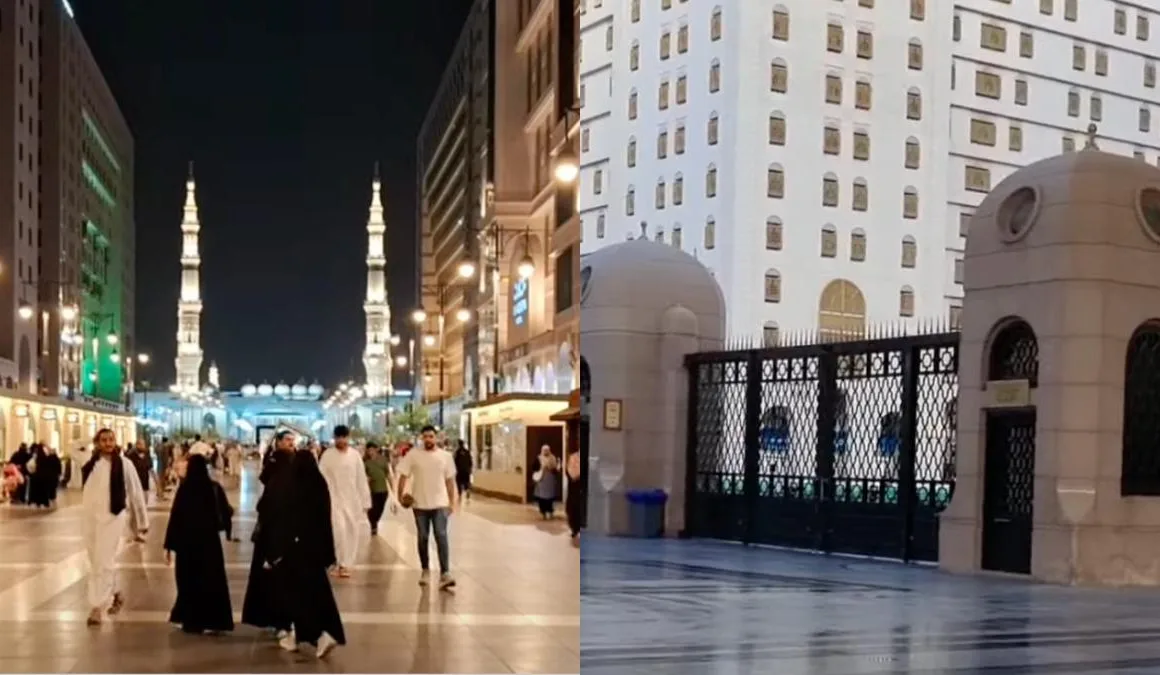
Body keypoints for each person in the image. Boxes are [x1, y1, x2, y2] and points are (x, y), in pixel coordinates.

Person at [266, 448, 345, 657]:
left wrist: (278, 548)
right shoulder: (319, 483)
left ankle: (316, 635)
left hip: (297, 550)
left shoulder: (293, 486)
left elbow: (286, 519)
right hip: (316, 550)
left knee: (298, 595)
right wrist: (329, 553)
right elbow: (325, 520)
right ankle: (307, 635)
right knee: (316, 594)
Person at [81, 428, 148, 626]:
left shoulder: (125, 464)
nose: (108, 443)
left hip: (114, 517)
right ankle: (116, 591)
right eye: (103, 440)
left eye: (111, 439)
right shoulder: (89, 462)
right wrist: (90, 438)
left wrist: (142, 522)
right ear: (97, 442)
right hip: (91, 518)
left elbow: (136, 493)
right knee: (95, 561)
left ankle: (96, 608)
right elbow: (72, 446)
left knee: (104, 560)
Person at [164, 454, 234, 634]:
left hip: (188, 545)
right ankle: (215, 620)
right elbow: (226, 511)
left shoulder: (185, 489)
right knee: (211, 579)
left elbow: (176, 517)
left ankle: (191, 620)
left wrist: (170, 545)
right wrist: (227, 531)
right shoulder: (213, 487)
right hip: (209, 543)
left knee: (188, 581)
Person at [241, 431, 295, 636]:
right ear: (279, 442)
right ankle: (269, 616)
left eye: (292, 441)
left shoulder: (295, 463)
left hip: (285, 526)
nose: (291, 444)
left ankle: (283, 619)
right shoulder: (273, 462)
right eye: (287, 440)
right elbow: (265, 481)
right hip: (272, 526)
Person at [396, 425, 458, 590]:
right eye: (425, 437)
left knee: (441, 535)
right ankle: (425, 569)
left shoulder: (445, 457)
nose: (428, 439)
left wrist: (452, 502)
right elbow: (403, 475)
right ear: (421, 438)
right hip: (420, 504)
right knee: (422, 537)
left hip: (440, 504)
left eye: (431, 436)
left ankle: (445, 572)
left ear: (436, 437)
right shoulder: (413, 455)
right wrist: (399, 495)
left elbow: (450, 481)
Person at [318, 426, 371, 578]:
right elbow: (321, 478)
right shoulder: (328, 455)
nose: (341, 440)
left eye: (344, 437)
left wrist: (365, 502)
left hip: (353, 499)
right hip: (333, 500)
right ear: (334, 438)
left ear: (348, 438)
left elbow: (361, 478)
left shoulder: (355, 456)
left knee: (352, 531)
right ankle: (341, 563)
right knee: (339, 531)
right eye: (338, 437)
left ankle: (348, 563)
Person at [364, 442, 390, 536]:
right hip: (371, 490)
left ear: (376, 449)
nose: (370, 452)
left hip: (383, 489)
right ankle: (373, 525)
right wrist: (366, 478)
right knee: (372, 509)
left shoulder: (383, 460)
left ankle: (375, 521)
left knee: (380, 508)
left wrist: (392, 487)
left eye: (372, 450)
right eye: (368, 450)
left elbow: (388, 474)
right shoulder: (365, 462)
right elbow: (362, 475)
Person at [533, 445, 560, 519]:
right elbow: (534, 468)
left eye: (547, 450)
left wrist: (551, 468)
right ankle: (543, 512)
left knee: (550, 498)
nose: (545, 452)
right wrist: (541, 468)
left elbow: (556, 469)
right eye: (544, 450)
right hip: (541, 481)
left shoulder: (553, 458)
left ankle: (550, 511)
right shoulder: (538, 458)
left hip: (550, 481)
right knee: (541, 498)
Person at [565, 452, 583, 546]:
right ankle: (574, 529)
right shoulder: (573, 457)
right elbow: (569, 471)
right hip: (574, 488)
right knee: (572, 509)